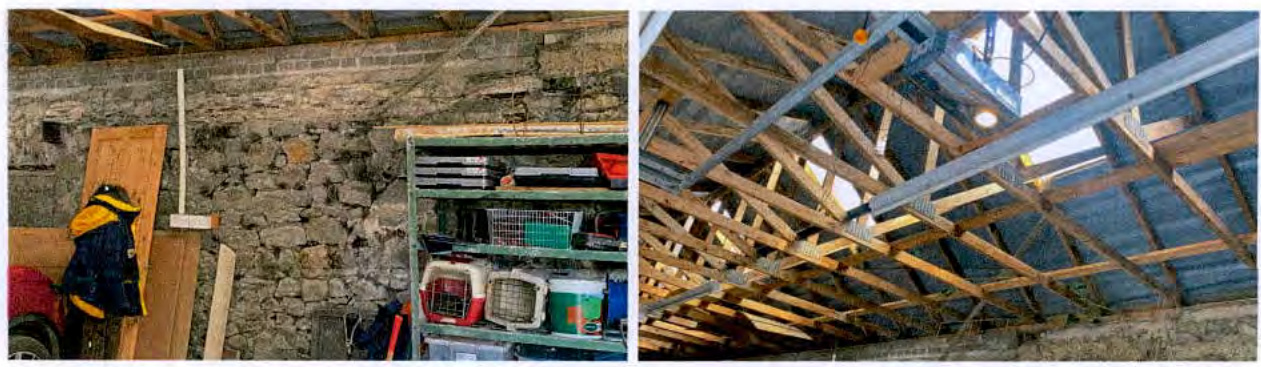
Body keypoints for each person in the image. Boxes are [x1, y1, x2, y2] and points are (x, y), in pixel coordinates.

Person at [62, 184, 146, 318]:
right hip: (98, 300)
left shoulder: (93, 219)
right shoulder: (115, 227)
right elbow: (113, 267)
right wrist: (123, 303)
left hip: (80, 293)